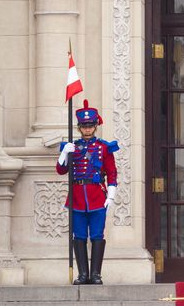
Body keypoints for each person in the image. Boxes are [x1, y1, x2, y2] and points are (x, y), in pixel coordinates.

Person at [57, 100, 119, 284]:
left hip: (97, 197)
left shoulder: (103, 147)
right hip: (77, 198)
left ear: (95, 126)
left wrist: (111, 195)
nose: (87, 129)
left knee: (97, 236)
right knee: (80, 236)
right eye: (84, 126)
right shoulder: (72, 147)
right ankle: (83, 275)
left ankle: (96, 275)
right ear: (79, 128)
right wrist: (63, 154)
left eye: (90, 126)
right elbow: (61, 171)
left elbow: (112, 172)